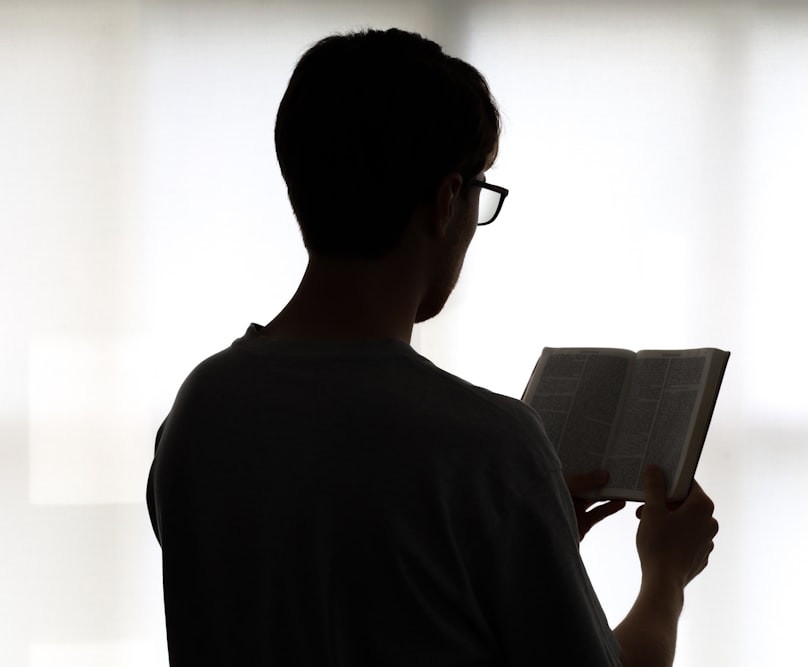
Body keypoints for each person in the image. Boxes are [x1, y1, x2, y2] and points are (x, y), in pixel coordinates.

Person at [146, 28, 718, 666]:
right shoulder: (487, 449)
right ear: (449, 200)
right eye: (481, 191)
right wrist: (665, 577)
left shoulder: (199, 412)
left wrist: (533, 539)